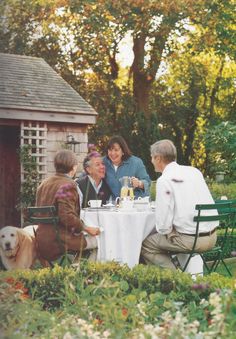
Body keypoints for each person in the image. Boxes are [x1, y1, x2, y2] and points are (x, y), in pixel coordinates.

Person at [141, 139, 218, 270]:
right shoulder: (194, 171)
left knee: (146, 244)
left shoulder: (164, 180)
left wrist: (169, 231)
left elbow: (163, 227)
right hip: (212, 237)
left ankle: (177, 279)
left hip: (192, 241)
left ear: (158, 158)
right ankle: (183, 274)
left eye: (152, 158)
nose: (151, 161)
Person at [35, 149, 100, 262]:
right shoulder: (68, 185)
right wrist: (87, 228)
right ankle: (85, 273)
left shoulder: (44, 183)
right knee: (99, 240)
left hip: (41, 239)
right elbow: (67, 216)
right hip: (59, 241)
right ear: (74, 167)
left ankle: (75, 268)